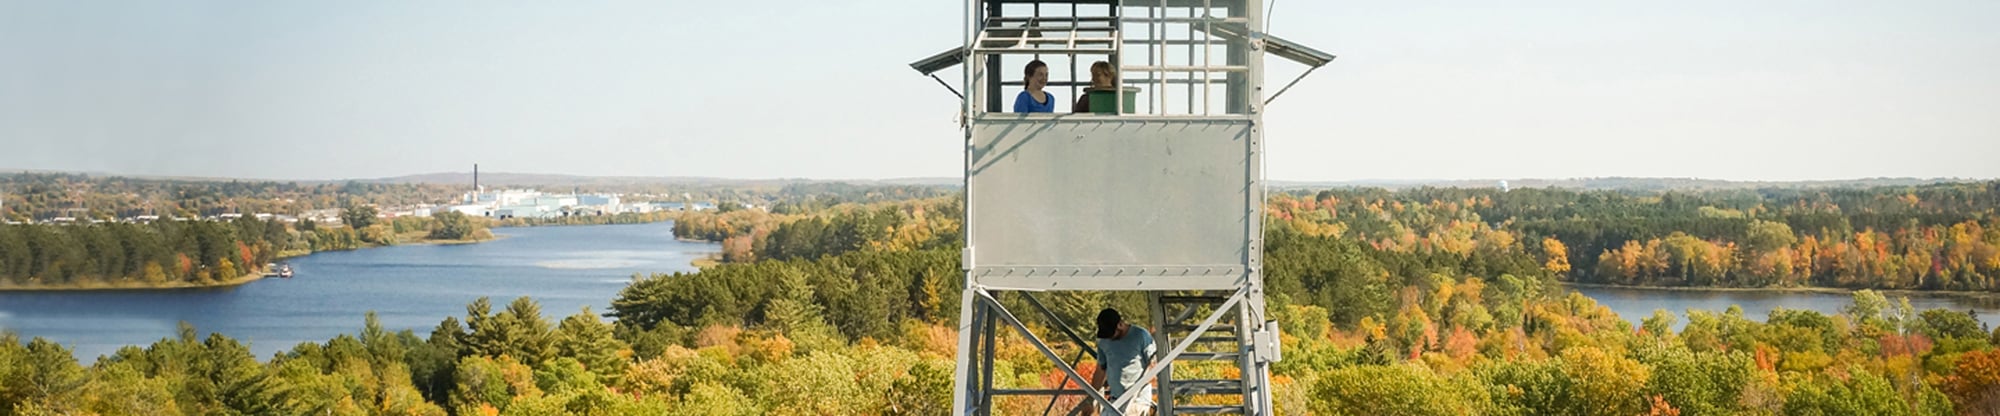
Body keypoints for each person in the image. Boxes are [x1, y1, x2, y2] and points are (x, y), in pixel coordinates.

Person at [1088, 308, 1156, 416]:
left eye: (1111, 333)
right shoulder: (1104, 342)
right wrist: (1091, 399)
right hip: (1115, 399)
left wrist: (1135, 390)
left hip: (1138, 399)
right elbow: (1101, 370)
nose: (1109, 338)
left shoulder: (1140, 335)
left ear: (1120, 325)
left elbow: (1153, 364)